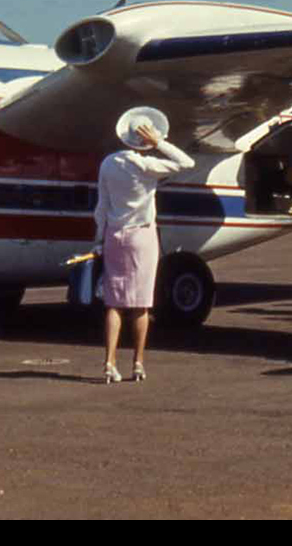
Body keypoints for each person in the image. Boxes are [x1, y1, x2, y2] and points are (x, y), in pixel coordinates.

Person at [92, 106, 195, 384]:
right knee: (141, 304)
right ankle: (137, 363)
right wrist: (159, 143)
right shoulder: (147, 166)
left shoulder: (108, 164)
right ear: (144, 139)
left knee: (113, 303)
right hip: (142, 235)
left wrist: (97, 239)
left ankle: (109, 363)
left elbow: (101, 206)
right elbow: (187, 163)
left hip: (114, 234)